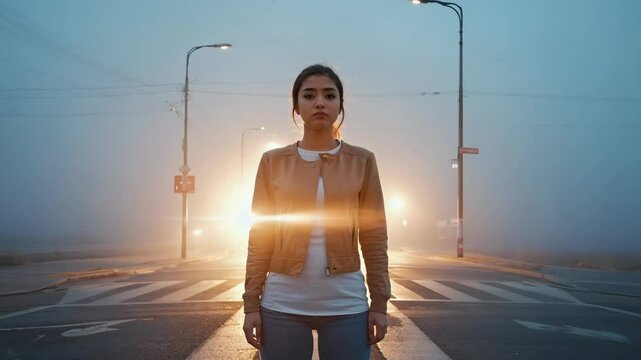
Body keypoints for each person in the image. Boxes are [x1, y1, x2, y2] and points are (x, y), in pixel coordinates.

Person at [242, 64, 390, 360]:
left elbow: (374, 237)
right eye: (309, 96)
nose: (320, 102)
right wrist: (250, 304)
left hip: (346, 304)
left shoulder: (362, 161)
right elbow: (261, 235)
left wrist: (379, 303)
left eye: (329, 95)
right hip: (282, 304)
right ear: (296, 106)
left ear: (340, 105)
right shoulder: (273, 161)